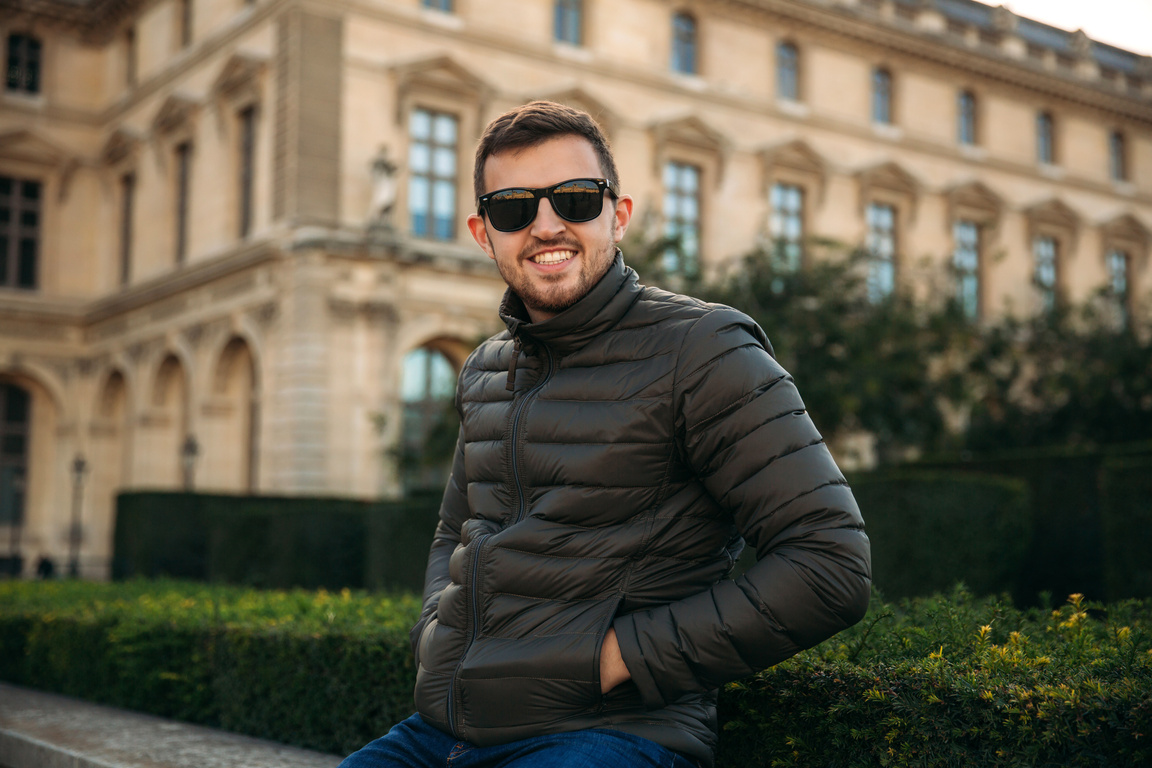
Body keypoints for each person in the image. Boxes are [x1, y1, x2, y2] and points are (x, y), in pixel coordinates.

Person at [340, 101, 871, 768]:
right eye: (513, 208)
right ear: (483, 232)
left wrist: (617, 659)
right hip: (443, 731)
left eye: (576, 199)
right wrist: (436, 633)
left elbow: (829, 563)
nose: (546, 224)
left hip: (609, 734)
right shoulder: (485, 369)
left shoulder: (704, 349)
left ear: (617, 216)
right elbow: (455, 531)